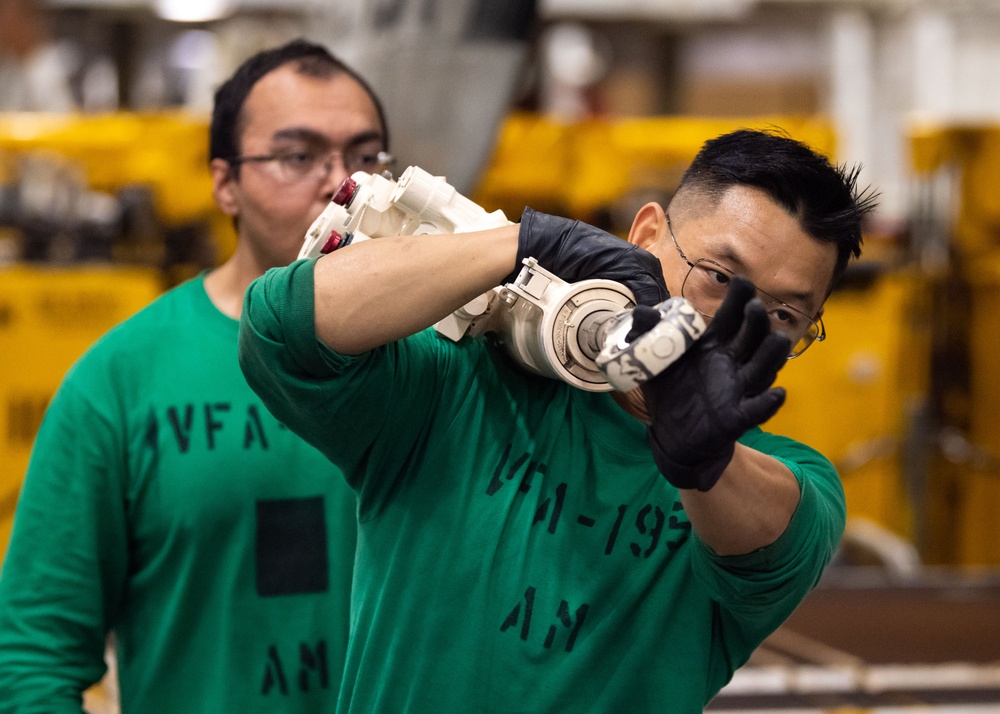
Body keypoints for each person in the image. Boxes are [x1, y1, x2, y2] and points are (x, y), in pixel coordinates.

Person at [238, 128, 878, 712]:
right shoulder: (462, 386)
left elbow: (770, 539)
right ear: (647, 236)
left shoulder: (787, 481)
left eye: (784, 315)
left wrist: (707, 463)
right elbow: (279, 327)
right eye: (719, 278)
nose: (733, 326)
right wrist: (525, 242)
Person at [0, 39, 391, 712]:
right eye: (298, 156)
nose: (341, 183)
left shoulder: (447, 361)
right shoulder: (121, 379)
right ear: (223, 183)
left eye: (366, 157)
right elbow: (34, 655)